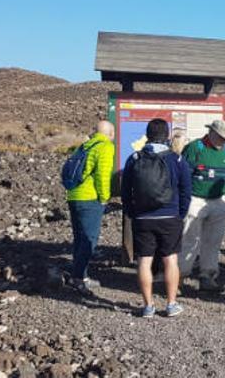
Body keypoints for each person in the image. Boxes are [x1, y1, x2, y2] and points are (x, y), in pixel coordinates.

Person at [121, 119, 191, 318]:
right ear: (167, 135)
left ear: (147, 134)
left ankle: (148, 306)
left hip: (142, 217)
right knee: (170, 259)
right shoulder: (176, 160)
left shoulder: (134, 158)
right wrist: (180, 212)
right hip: (170, 216)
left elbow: (126, 191)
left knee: (144, 261)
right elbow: (186, 190)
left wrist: (132, 212)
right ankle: (171, 304)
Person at [179, 120, 225, 292]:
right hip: (196, 199)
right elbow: (184, 174)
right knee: (189, 240)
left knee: (213, 241)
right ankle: (179, 277)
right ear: (212, 133)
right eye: (222, 138)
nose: (224, 142)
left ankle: (208, 276)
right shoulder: (195, 148)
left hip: (218, 200)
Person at [65, 120, 115, 295]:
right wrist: (104, 198)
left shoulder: (86, 144)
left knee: (79, 238)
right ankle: (77, 279)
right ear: (111, 133)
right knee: (89, 240)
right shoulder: (106, 146)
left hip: (74, 195)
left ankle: (81, 275)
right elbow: (102, 175)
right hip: (90, 198)